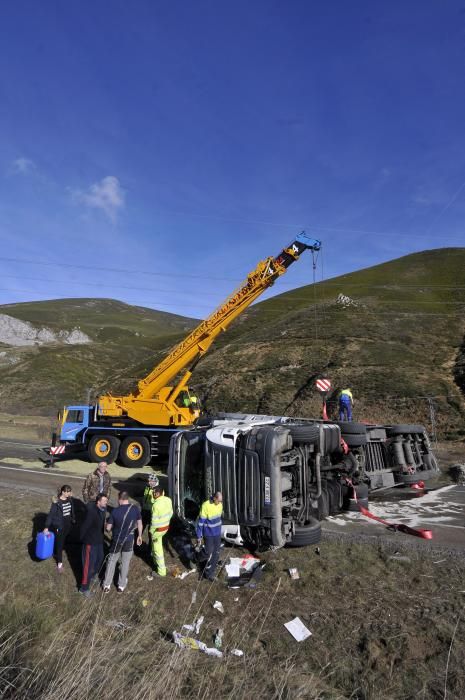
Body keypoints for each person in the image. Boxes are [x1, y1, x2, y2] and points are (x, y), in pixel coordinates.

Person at [103, 491, 142, 593]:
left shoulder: (115, 511)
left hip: (116, 540)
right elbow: (139, 523)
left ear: (120, 499)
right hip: (129, 540)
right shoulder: (135, 509)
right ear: (127, 498)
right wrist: (140, 535)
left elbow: (108, 528)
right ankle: (121, 586)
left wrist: (107, 524)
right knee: (125, 563)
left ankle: (107, 585)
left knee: (111, 561)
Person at [79, 492, 108, 597]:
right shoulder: (91, 512)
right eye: (104, 501)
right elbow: (84, 527)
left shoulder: (103, 509)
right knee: (88, 565)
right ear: (98, 501)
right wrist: (83, 539)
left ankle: (92, 575)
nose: (106, 503)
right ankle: (84, 588)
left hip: (99, 540)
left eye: (106, 501)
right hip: (90, 542)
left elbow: (102, 523)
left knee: (100, 559)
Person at [43, 484, 75, 573]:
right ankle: (59, 563)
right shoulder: (56, 502)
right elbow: (51, 515)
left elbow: (71, 511)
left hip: (68, 524)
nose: (69, 493)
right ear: (63, 492)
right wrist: (46, 527)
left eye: (70, 492)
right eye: (67, 492)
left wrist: (73, 519)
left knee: (64, 540)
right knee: (60, 543)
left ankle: (58, 550)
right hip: (60, 525)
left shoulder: (69, 499)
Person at [196, 491, 223, 582]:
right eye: (218, 501)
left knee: (216, 553)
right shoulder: (205, 505)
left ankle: (210, 574)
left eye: (220, 501)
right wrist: (199, 535)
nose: (219, 503)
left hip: (217, 533)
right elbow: (200, 522)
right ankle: (198, 557)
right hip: (208, 533)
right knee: (208, 552)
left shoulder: (220, 504)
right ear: (214, 498)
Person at [147, 486, 173, 578]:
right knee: (157, 547)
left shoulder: (156, 505)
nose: (153, 495)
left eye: (154, 494)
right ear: (163, 492)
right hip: (166, 527)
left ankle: (161, 571)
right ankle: (155, 561)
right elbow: (171, 513)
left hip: (157, 531)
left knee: (158, 550)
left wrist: (151, 531)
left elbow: (153, 522)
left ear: (156, 494)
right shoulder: (168, 500)